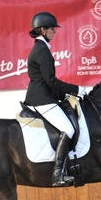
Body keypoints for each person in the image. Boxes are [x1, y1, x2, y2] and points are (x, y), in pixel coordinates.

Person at [24, 11, 88, 187]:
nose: (55, 32)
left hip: (44, 96)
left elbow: (49, 82)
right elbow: (51, 81)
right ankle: (57, 174)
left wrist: (65, 95)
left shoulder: (42, 49)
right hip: (41, 99)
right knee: (68, 129)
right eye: (52, 29)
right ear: (43, 30)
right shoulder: (41, 51)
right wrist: (76, 89)